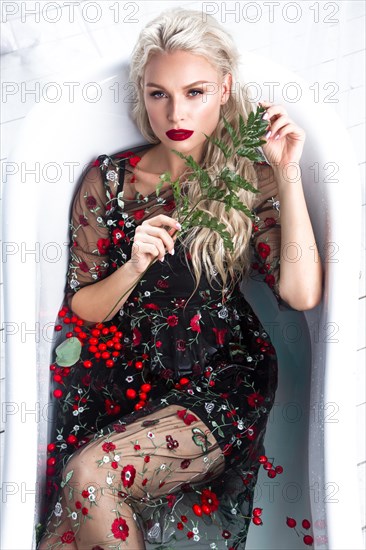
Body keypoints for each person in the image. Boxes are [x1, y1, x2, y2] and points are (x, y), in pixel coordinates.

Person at [37, 7, 323, 549]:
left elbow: (301, 292)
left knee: (89, 478)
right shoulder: (110, 180)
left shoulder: (246, 178)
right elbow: (86, 308)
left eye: (195, 92)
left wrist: (286, 174)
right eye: (158, 94)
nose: (176, 112)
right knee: (66, 530)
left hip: (220, 383)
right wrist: (135, 266)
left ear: (225, 89)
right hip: (130, 375)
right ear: (142, 96)